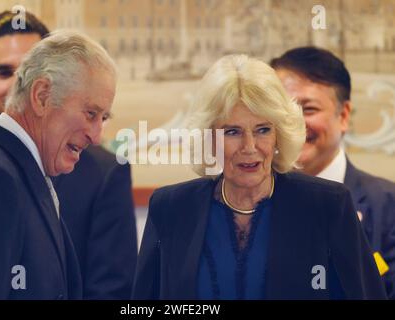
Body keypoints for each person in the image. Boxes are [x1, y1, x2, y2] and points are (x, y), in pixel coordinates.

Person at [132, 54, 387, 299]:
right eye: (232, 132)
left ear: (279, 134)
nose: (250, 146)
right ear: (209, 137)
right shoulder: (171, 207)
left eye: (263, 129)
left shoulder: (328, 205)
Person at [0, 11, 137, 299]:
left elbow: (113, 292)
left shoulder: (105, 172)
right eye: (4, 72)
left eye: (28, 70)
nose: (18, 84)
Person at [270, 47, 395, 299]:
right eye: (282, 110)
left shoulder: (389, 206)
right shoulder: (241, 203)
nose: (293, 124)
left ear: (344, 115)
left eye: (309, 109)